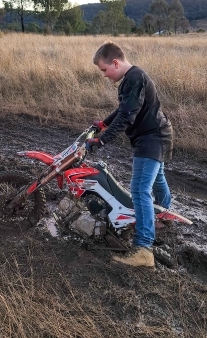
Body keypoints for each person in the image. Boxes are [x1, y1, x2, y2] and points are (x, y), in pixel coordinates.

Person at [86, 41, 173, 268]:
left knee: (139, 189)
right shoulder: (133, 77)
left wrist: (101, 140)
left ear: (115, 62)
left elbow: (126, 118)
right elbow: (124, 108)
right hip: (158, 134)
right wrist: (104, 123)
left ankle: (143, 249)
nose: (104, 75)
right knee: (157, 180)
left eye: (104, 70)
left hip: (151, 139)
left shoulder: (134, 78)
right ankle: (162, 220)